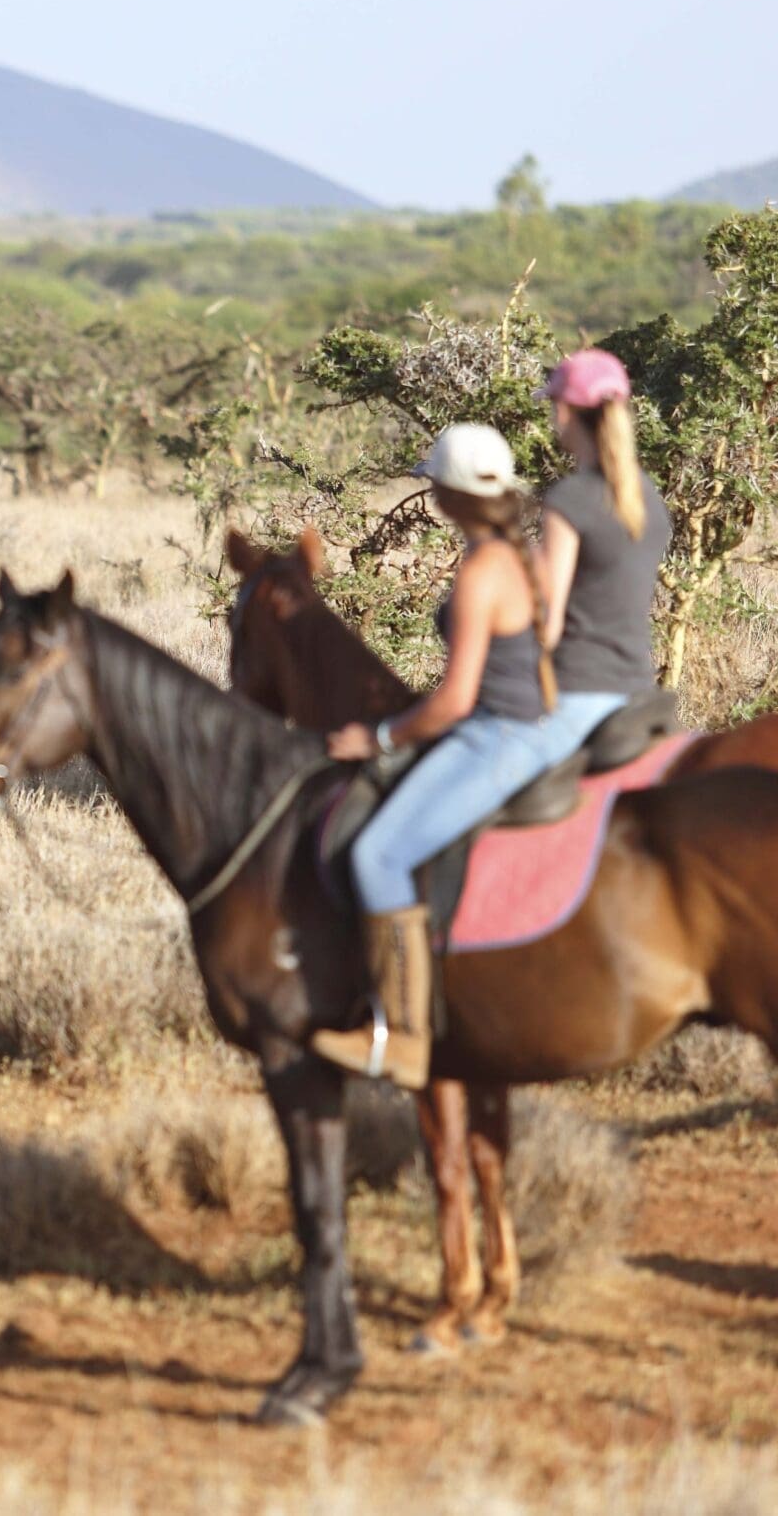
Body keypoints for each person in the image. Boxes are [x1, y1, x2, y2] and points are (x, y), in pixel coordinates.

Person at [308, 424, 575, 1090]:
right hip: (526, 726)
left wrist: (381, 738)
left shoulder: (484, 567)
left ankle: (404, 1037)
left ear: (448, 496)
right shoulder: (516, 554)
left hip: (497, 736)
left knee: (378, 855)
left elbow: (456, 699)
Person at [535, 349, 671, 723]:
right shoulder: (648, 497)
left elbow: (546, 626)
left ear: (563, 411)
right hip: (638, 692)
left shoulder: (570, 499)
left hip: (575, 691)